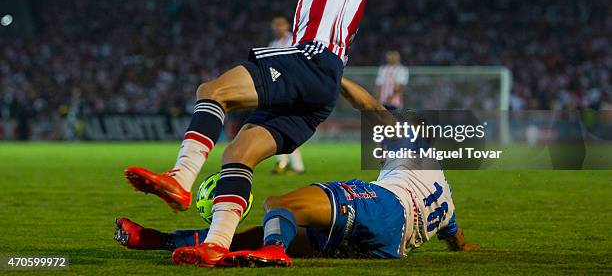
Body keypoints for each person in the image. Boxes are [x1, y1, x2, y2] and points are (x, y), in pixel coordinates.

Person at [123, 0, 539, 266]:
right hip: (318, 89)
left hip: (312, 62)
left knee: (211, 91)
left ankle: (180, 179)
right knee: (237, 155)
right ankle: (215, 245)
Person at [114, 77, 479, 267]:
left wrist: (329, 79)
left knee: (280, 204)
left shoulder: (410, 146)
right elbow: (457, 238)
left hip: (386, 209)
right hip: (386, 248)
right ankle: (158, 240)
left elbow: (370, 105)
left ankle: (275, 253)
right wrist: (468, 248)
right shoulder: (444, 195)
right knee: (254, 235)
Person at [269, 15, 306, 174]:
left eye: (281, 24)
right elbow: (270, 67)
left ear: (286, 25)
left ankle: (296, 165)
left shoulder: (295, 39)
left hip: (293, 88)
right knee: (278, 125)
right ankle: (283, 163)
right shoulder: (273, 45)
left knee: (289, 126)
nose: (278, 28)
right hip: (279, 89)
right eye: (275, 25)